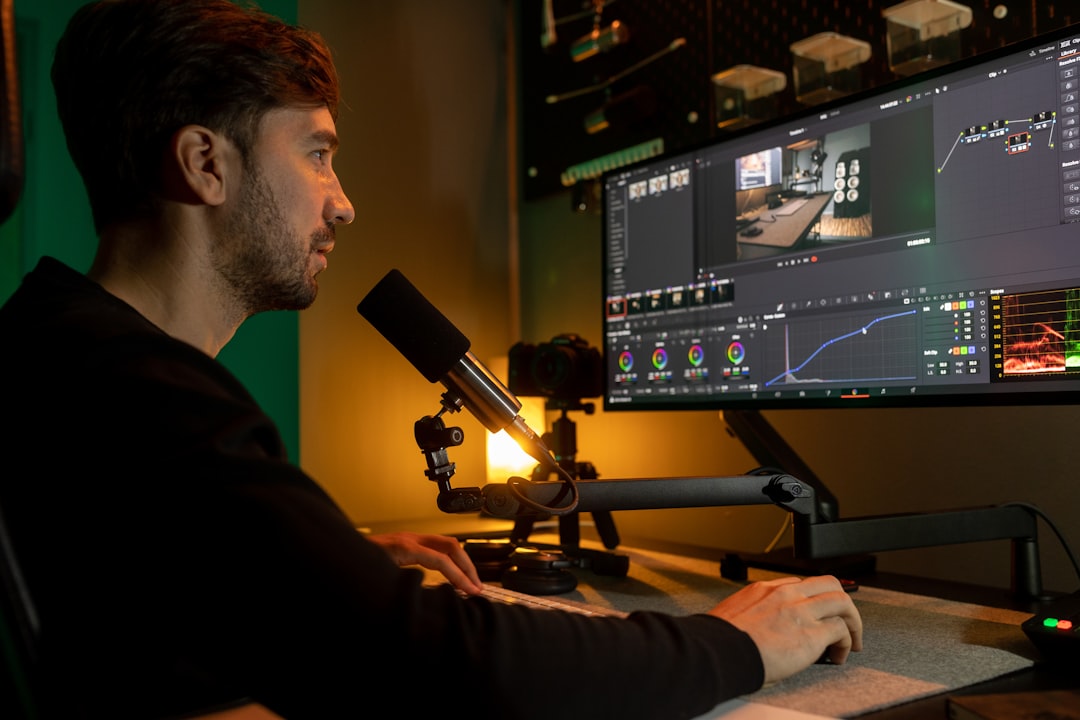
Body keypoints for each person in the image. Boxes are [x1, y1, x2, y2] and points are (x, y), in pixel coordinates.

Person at [0, 1, 863, 718]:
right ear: (204, 164)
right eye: (317, 154)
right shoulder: (145, 395)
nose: (343, 204)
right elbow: (447, 667)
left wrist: (321, 571)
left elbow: (135, 600)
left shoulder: (49, 345)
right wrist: (732, 642)